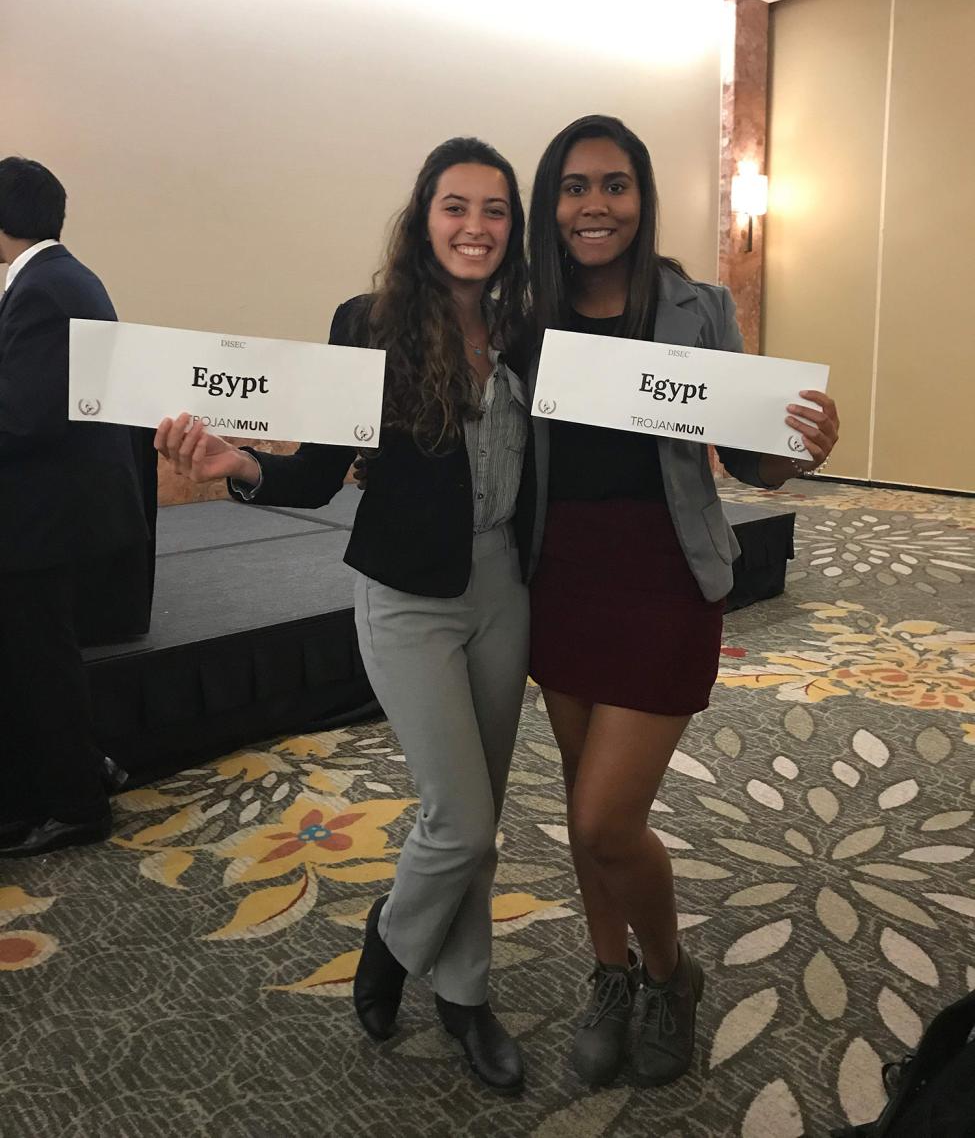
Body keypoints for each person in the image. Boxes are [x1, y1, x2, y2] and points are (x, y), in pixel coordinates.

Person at [156, 138, 532, 1094]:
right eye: (457, 206)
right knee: (458, 818)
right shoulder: (367, 327)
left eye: (494, 210)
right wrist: (237, 467)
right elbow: (316, 472)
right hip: (408, 597)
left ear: (512, 229)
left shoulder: (530, 329)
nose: (475, 227)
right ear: (424, 216)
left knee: (478, 821)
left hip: (506, 591)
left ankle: (467, 993)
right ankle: (392, 943)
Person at [522, 115, 839, 1088]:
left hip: (662, 580)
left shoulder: (697, 305)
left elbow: (748, 455)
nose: (595, 205)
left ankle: (670, 975)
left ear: (641, 197)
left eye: (615, 185)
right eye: (575, 186)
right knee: (582, 808)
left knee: (608, 817)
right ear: (553, 203)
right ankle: (607, 975)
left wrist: (794, 451)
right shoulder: (522, 311)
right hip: (559, 579)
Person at [0, 157, 146, 858]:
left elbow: (23, 418)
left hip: (45, 514)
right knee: (43, 654)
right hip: (60, 507)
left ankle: (76, 804)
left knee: (40, 660)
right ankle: (85, 771)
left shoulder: (42, 289)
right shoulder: (64, 277)